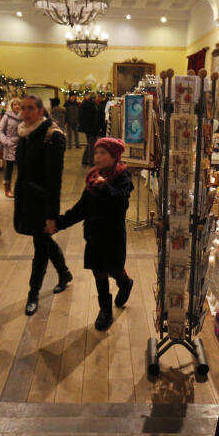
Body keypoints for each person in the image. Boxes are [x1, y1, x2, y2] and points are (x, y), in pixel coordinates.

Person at [53, 137, 135, 331]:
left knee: (114, 269)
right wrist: (59, 224)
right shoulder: (93, 177)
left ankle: (125, 283)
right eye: (96, 152)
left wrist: (104, 187)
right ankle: (105, 310)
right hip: (94, 234)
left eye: (103, 153)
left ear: (114, 157)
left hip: (113, 236)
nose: (97, 156)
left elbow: (121, 201)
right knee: (99, 272)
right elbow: (82, 208)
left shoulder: (123, 177)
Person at [14, 94, 72, 315]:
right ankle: (64, 273)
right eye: (23, 108)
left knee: (40, 247)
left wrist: (52, 215)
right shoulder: (25, 133)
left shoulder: (51, 136)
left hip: (41, 202)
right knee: (43, 240)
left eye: (30, 108)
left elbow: (53, 179)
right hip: (26, 199)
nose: (25, 112)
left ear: (40, 111)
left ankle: (33, 293)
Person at [0, 97, 22, 197]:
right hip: (10, 145)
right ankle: (7, 190)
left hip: (21, 145)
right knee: (9, 169)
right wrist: (5, 141)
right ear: (11, 106)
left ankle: (20, 189)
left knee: (22, 169)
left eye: (18, 104)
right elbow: (0, 130)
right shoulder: (7, 117)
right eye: (14, 105)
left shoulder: (24, 116)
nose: (17, 106)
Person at [79, 93, 99, 166]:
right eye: (96, 98)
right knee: (91, 145)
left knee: (89, 144)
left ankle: (84, 160)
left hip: (87, 128)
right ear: (93, 98)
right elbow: (93, 118)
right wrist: (95, 128)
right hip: (91, 128)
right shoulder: (92, 105)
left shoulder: (85, 104)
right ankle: (91, 161)